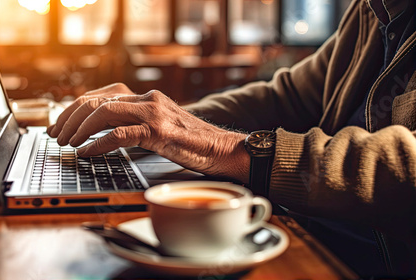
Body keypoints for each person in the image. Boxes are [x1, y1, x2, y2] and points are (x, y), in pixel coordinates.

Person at [48, 0, 416, 277]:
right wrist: (165, 120)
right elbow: (287, 97)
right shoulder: (372, 10)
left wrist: (223, 146)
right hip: (306, 232)